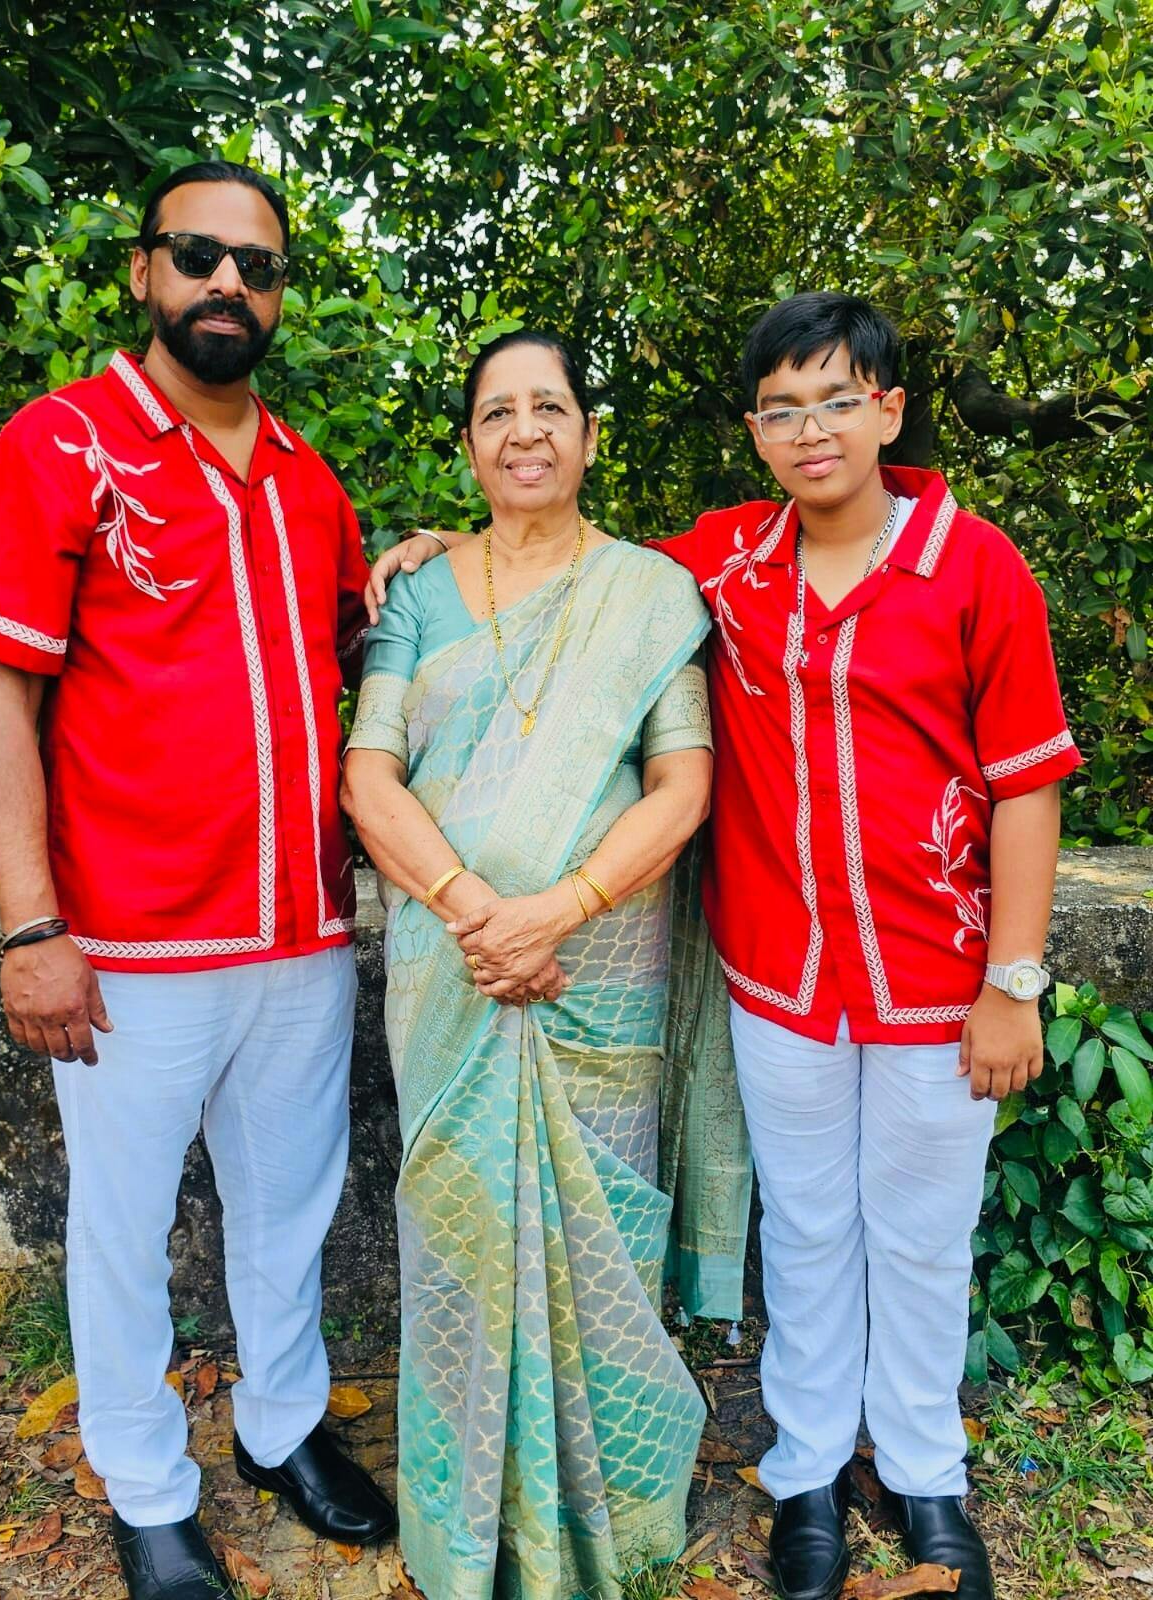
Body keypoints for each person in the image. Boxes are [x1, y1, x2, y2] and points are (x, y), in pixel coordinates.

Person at [366, 294, 1081, 1600]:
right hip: (783, 977)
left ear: (889, 412)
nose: (813, 431)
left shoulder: (975, 567)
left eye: (839, 401)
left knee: (923, 1236)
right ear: (754, 430)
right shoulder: (729, 562)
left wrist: (1013, 984)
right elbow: (566, 567)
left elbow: (1027, 783)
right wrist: (452, 545)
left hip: (938, 975)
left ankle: (924, 1478)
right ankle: (807, 1472)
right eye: (783, 409)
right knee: (803, 1231)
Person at [0, 160, 394, 1600]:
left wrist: (438, 566)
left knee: (290, 1207)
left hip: (301, 929)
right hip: (129, 938)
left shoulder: (308, 478)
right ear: (145, 270)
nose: (226, 284)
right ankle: (146, 1487)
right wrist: (31, 924)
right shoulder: (63, 442)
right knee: (125, 1226)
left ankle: (281, 1427)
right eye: (198, 255)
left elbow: (364, 652)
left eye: (256, 266)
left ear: (279, 297)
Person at [342, 330, 751, 1600]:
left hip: (600, 972)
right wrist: (479, 912)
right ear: (470, 443)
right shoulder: (417, 594)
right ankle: (470, 1527)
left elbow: (683, 785)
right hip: (453, 968)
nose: (525, 430)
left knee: (603, 1235)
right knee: (460, 1235)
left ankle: (611, 1514)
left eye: (550, 407)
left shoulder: (650, 594)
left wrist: (558, 909)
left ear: (587, 433)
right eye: (497, 412)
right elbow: (369, 776)